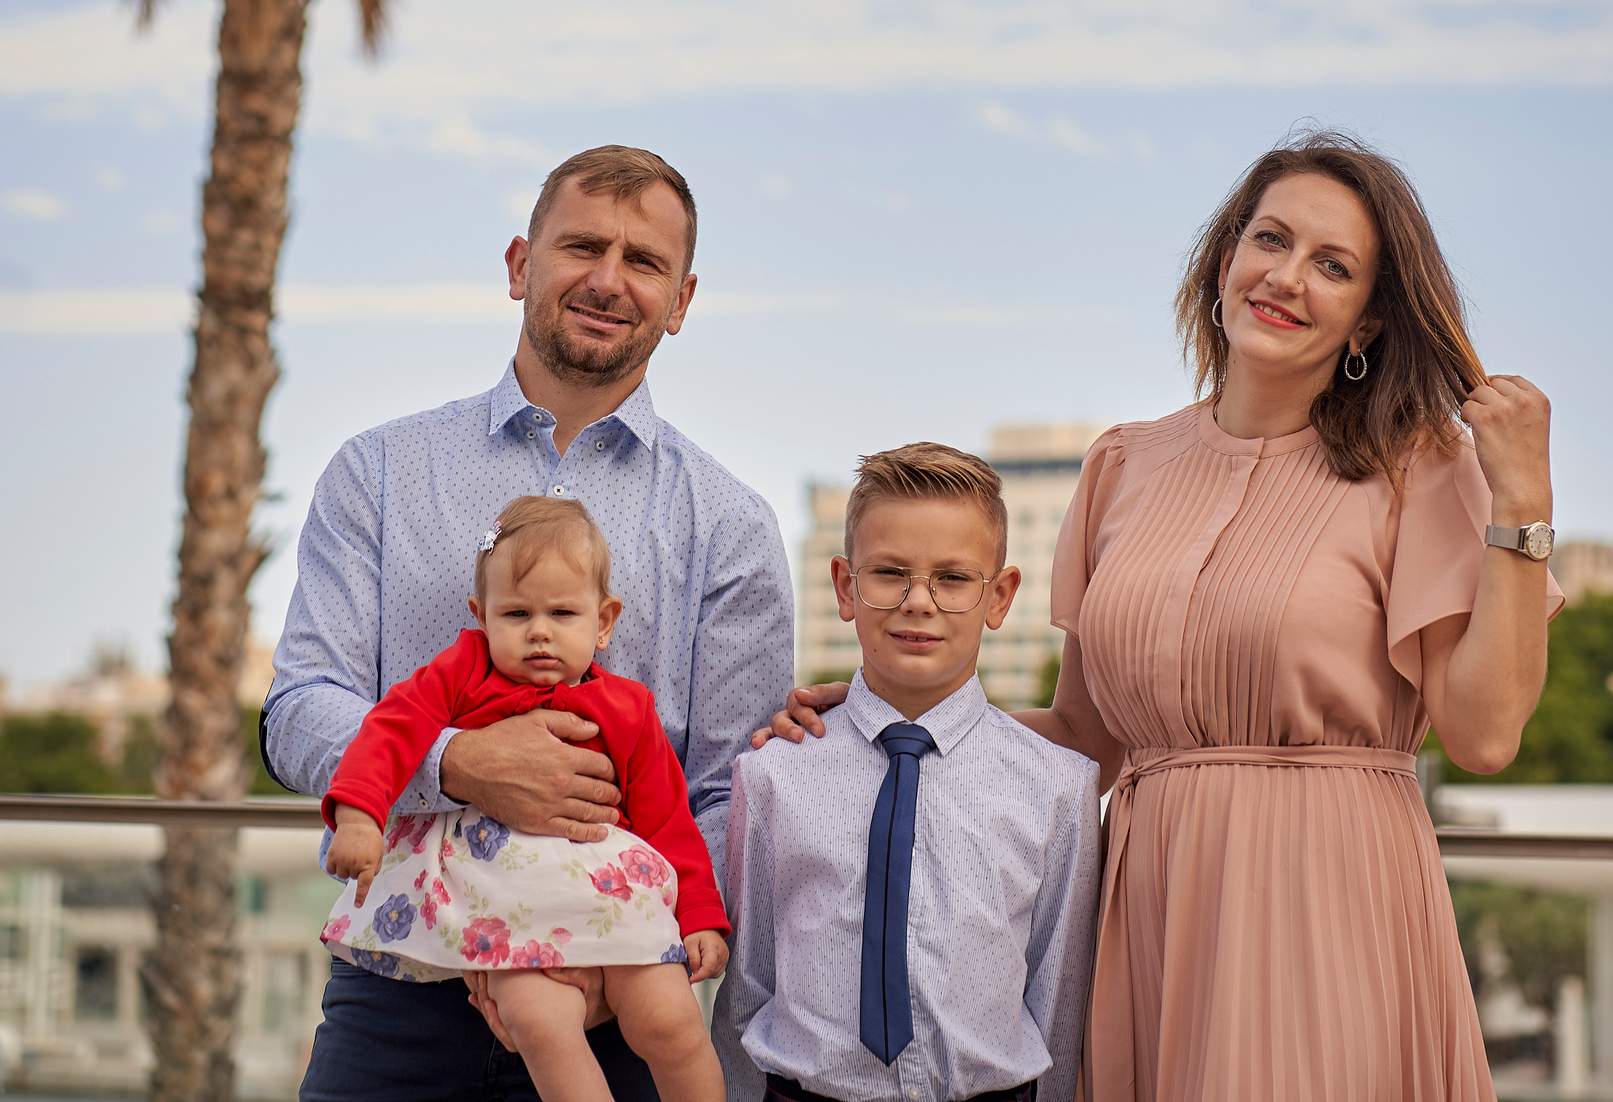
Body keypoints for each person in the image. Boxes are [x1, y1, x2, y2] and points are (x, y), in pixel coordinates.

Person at [766, 130, 1561, 1101]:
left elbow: (1482, 734)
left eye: (1333, 265)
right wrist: (867, 728)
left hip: (1331, 898)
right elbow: (1083, 741)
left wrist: (1520, 504)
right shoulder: (1122, 465)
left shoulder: (1421, 467)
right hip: (1154, 908)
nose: (1286, 276)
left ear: (1366, 323)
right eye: (1269, 239)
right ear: (1224, 257)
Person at [267, 145, 796, 1102]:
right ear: (520, 265)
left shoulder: (732, 526)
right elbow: (299, 709)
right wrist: (455, 763)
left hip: (621, 1000)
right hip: (400, 998)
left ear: (680, 302)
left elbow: (730, 790)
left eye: (645, 261)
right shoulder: (377, 474)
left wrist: (605, 955)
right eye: (582, 246)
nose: (608, 278)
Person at [716, 443, 1099, 1102]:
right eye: (890, 572)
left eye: (953, 578)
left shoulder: (1059, 785)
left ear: (1000, 595)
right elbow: (749, 983)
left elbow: (1057, 1000)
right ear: (844, 585)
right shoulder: (773, 773)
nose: (919, 600)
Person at [319, 496, 728, 1102]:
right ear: (481, 616)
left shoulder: (628, 708)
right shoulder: (460, 673)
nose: (539, 630)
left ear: (604, 620)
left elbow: (669, 820)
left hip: (610, 897)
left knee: (670, 1019)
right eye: (516, 613)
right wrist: (359, 817)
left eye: (563, 612)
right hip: (499, 906)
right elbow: (388, 732)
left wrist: (700, 914)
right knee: (541, 1025)